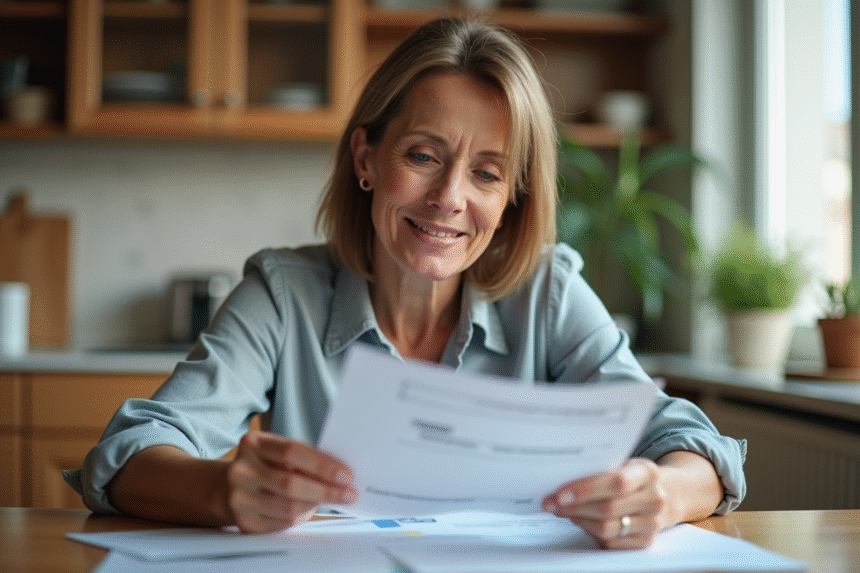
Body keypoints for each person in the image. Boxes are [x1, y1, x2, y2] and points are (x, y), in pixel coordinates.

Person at [65, 17, 745, 550]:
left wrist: (662, 490)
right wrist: (221, 490)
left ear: (513, 195)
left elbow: (692, 442)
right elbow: (128, 451)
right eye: (424, 155)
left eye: (486, 172)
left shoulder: (549, 291)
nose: (450, 197)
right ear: (367, 156)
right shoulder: (284, 294)